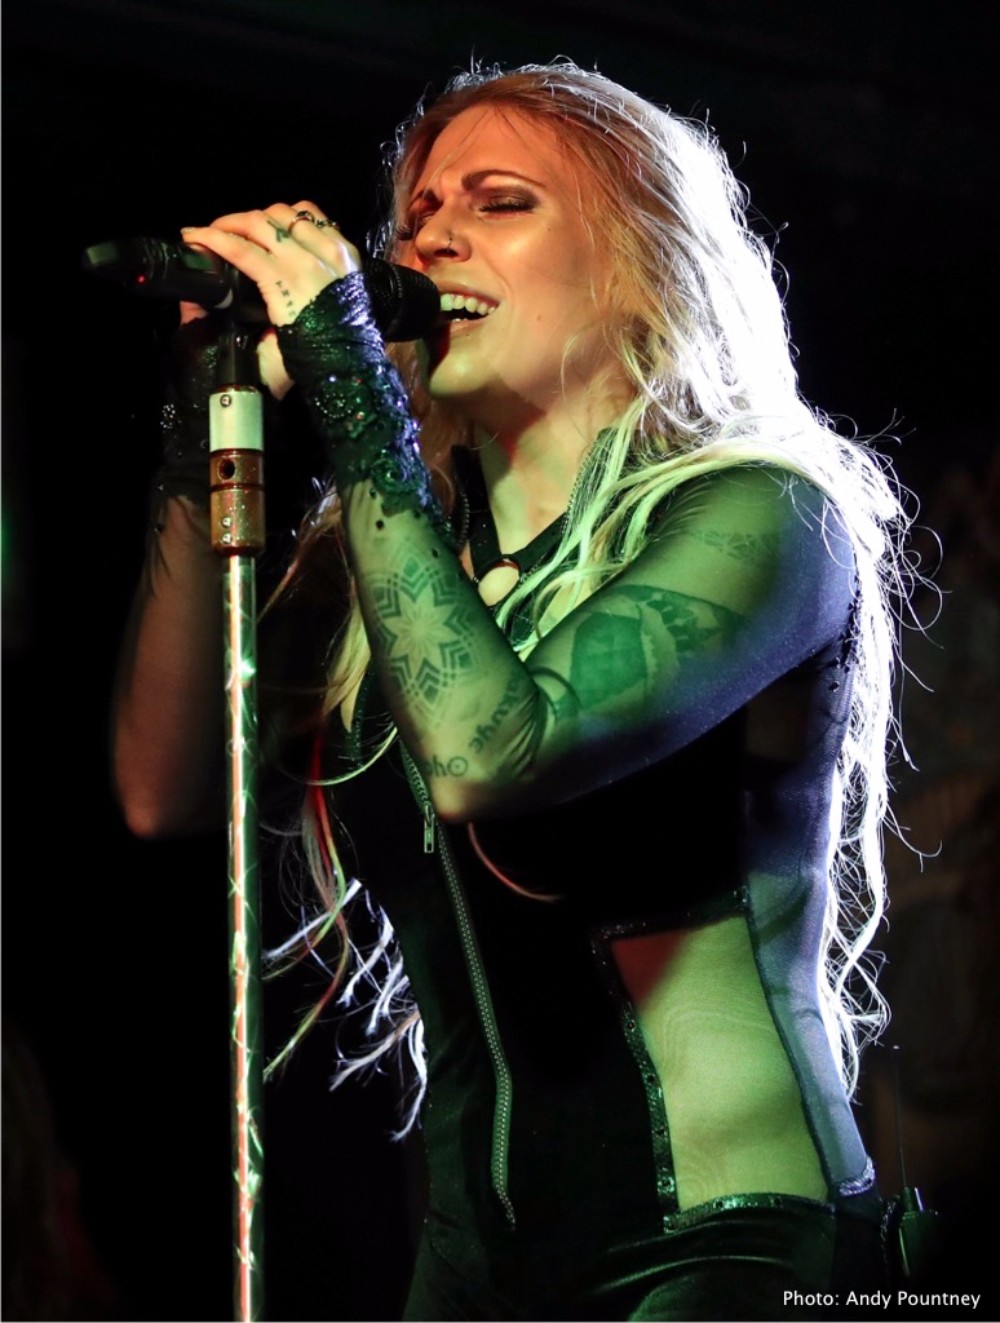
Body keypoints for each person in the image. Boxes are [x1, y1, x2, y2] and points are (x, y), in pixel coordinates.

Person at [114, 62, 908, 1320]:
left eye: (500, 202)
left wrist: (350, 386)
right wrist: (195, 429)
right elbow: (162, 786)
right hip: (470, 1274)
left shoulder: (766, 514)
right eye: (417, 214)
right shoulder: (390, 572)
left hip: (726, 1244)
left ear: (641, 260)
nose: (430, 240)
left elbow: (493, 749)